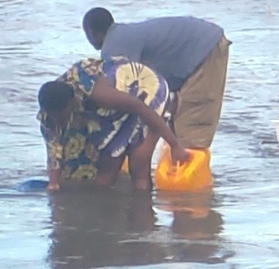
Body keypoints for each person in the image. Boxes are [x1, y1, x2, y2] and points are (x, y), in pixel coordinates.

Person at [82, 9, 230, 153]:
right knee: (176, 119)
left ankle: (188, 165)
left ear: (91, 33)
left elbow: (117, 97)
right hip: (194, 47)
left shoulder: (114, 46)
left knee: (193, 122)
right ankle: (175, 160)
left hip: (204, 48)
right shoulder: (122, 36)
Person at [38, 57, 186, 189]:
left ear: (71, 104)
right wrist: (53, 183)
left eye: (61, 116)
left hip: (144, 88)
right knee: (107, 163)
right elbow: (53, 148)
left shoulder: (100, 95)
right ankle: (107, 206)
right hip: (115, 105)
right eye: (53, 116)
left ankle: (143, 207)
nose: (57, 120)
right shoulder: (50, 107)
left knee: (138, 164)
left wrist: (175, 145)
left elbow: (139, 107)